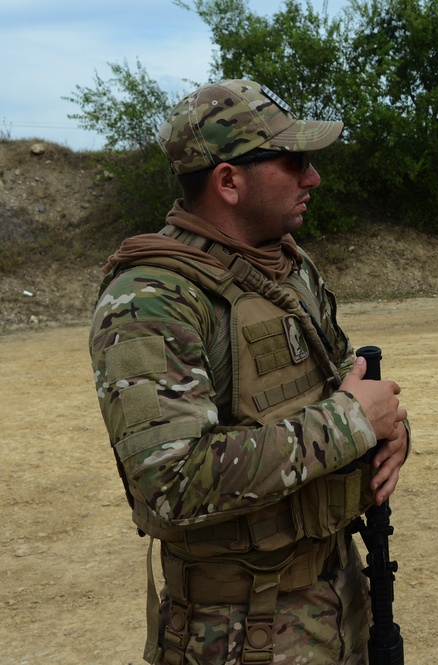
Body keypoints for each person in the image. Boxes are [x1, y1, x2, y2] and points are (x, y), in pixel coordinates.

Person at [88, 79, 410, 665]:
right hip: (237, 634)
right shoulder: (152, 298)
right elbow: (170, 485)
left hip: (341, 603)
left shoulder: (288, 264)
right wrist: (350, 426)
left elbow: (341, 381)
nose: (313, 177)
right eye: (294, 162)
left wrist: (388, 429)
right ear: (229, 181)